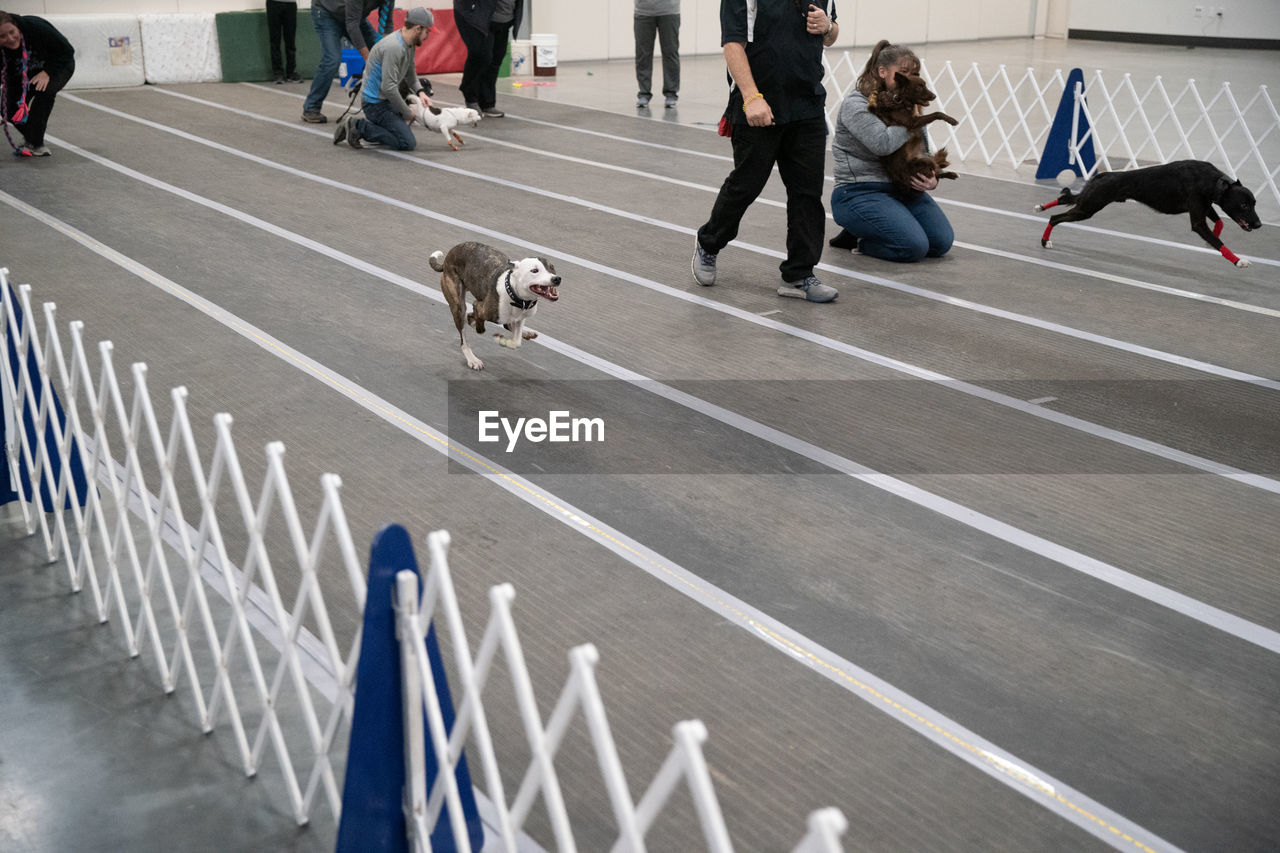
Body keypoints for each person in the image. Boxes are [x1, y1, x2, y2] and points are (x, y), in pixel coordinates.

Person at [692, 0, 840, 303]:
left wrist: (828, 27)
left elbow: (831, 31)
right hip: (758, 103)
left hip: (807, 104)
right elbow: (732, 43)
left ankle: (798, 274)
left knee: (808, 192)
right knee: (746, 184)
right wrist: (752, 97)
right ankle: (709, 243)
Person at [827, 40, 954, 262]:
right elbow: (882, 143)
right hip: (859, 191)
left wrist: (931, 180)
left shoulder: (909, 106)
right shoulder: (856, 104)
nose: (909, 77)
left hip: (902, 188)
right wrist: (912, 120)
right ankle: (860, 238)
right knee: (913, 247)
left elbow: (921, 149)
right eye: (903, 72)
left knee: (941, 242)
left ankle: (876, 225)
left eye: (914, 72)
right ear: (882, 72)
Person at [334, 8, 433, 150]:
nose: (428, 36)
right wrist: (406, 112)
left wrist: (421, 92)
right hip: (375, 104)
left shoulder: (409, 43)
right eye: (427, 31)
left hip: (385, 101)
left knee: (400, 131)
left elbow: (410, 74)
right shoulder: (394, 47)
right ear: (418, 29)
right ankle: (358, 126)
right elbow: (388, 87)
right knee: (407, 143)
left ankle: (377, 126)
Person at [0, 10, 74, 158]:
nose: (11, 39)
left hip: (57, 65)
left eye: (12, 32)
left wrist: (47, 72)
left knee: (44, 91)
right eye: (2, 36)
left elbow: (67, 51)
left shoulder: (35, 27)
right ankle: (33, 138)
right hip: (22, 73)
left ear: (16, 26)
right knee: (7, 109)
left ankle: (35, 143)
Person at [302, 0, 382, 123]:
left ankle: (393, 106)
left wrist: (385, 50)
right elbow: (352, 26)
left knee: (382, 52)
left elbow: (386, 24)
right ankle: (311, 107)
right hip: (326, 13)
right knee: (332, 60)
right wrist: (368, 59)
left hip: (354, 16)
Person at [454, 0, 524, 118]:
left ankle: (487, 103)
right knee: (482, 56)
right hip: (476, 18)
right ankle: (470, 96)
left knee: (496, 59)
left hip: (503, 20)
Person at [634, 0, 680, 109]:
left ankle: (671, 93)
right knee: (643, 55)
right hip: (643, 11)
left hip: (669, 10)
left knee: (670, 53)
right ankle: (644, 93)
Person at [266, 0, 301, 85]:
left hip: (290, 3)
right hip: (273, 3)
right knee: (275, 39)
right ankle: (278, 73)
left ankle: (291, 72)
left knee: (290, 39)